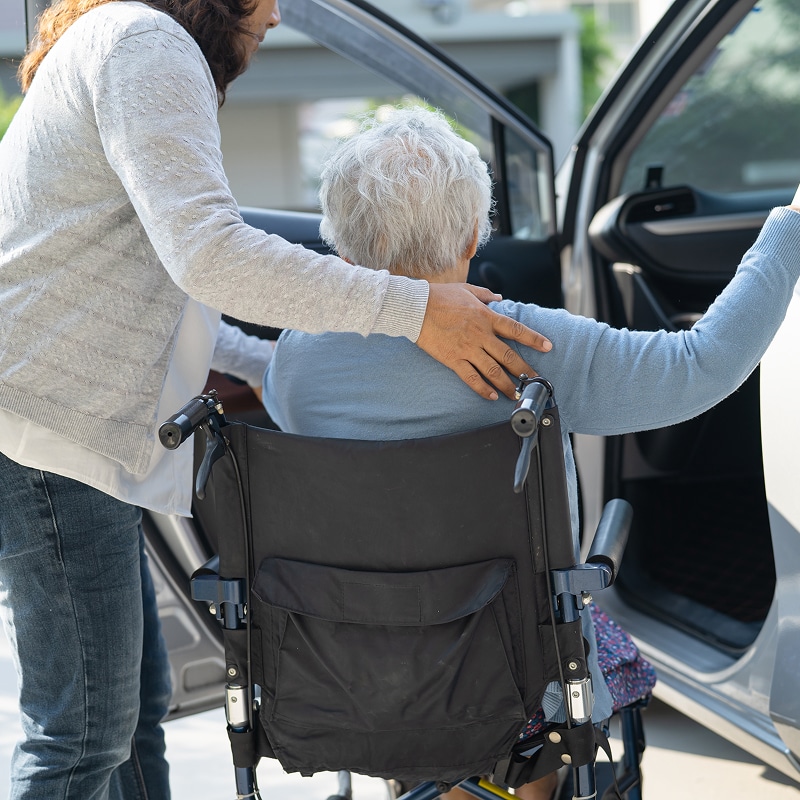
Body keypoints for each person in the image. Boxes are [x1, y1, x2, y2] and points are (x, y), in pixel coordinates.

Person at [0, 1, 553, 797]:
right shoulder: (146, 43)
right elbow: (210, 254)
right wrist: (416, 310)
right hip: (50, 432)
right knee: (84, 735)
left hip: (65, 424)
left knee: (129, 721)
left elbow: (149, 281)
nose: (280, 12)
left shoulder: (125, 40)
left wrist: (266, 364)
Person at [262, 106, 800, 799]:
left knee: (416, 637)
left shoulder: (297, 359)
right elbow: (702, 366)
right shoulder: (519, 343)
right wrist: (787, 232)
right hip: (514, 679)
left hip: (352, 664)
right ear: (471, 234)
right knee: (551, 639)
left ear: (342, 243)